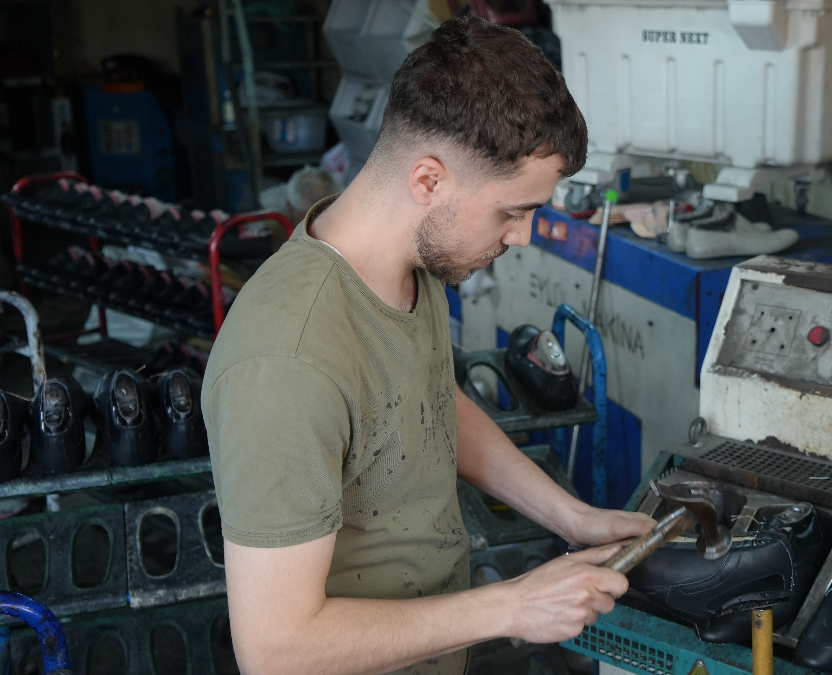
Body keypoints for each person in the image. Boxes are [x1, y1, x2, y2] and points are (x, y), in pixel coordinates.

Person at [201, 17, 655, 675]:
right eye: (513, 210)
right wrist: (512, 607)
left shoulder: (410, 265)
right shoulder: (287, 361)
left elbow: (429, 404)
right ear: (428, 181)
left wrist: (573, 516)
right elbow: (276, 648)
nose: (524, 236)